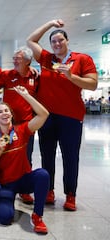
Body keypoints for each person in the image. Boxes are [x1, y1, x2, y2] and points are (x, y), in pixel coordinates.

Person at [27, 19, 98, 211]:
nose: (57, 44)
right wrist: (50, 24)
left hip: (71, 117)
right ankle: (48, 191)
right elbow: (31, 41)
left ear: (67, 41)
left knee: (70, 156)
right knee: (47, 155)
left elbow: (92, 84)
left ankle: (70, 195)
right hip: (47, 117)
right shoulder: (47, 59)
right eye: (54, 41)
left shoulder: (82, 59)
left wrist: (72, 77)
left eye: (60, 40)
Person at [0, 86, 49, 234]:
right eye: (0, 112)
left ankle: (37, 216)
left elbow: (44, 115)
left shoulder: (22, 129)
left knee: (42, 174)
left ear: (11, 114)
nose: (4, 114)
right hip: (5, 184)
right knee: (5, 218)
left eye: (6, 111)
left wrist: (26, 96)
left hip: (24, 180)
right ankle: (0, 199)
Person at [0, 46, 39, 204]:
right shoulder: (7, 75)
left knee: (26, 156)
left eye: (18, 58)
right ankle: (1, 181)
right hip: (7, 124)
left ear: (28, 61)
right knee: (3, 153)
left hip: (26, 125)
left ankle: (24, 190)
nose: (14, 60)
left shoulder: (35, 77)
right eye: (14, 58)